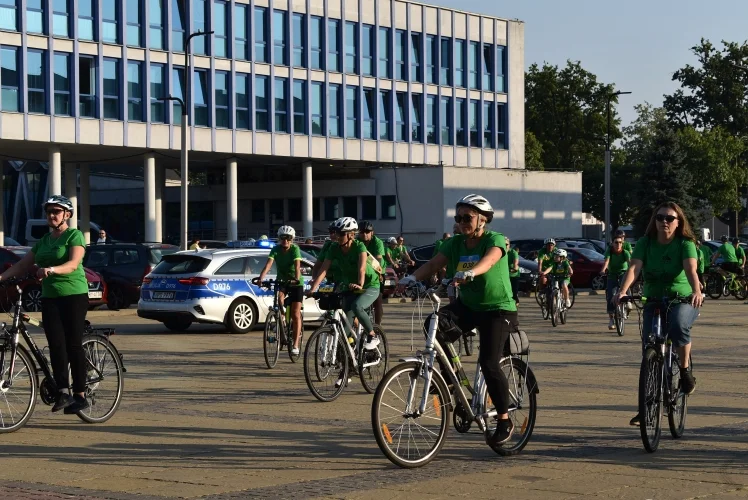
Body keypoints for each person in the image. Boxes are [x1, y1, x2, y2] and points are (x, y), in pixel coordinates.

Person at [399, 194, 518, 446]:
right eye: (458, 217)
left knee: (488, 362)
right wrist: (411, 279)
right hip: (468, 306)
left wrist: (472, 272)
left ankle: (505, 420)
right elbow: (433, 264)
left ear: (482, 220)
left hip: (498, 310)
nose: (462, 221)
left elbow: (491, 259)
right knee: (434, 324)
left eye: (468, 217)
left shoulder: (494, 239)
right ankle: (451, 381)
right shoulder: (454, 243)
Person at [0, 195, 91, 414]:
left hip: (74, 294)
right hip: (50, 296)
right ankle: (63, 392)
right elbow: (23, 265)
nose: (51, 215)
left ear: (66, 215)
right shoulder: (44, 241)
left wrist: (52, 270)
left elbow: (72, 264)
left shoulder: (74, 235)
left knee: (73, 343)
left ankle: (80, 394)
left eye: (56, 212)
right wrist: (1, 278)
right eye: (49, 212)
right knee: (56, 344)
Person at [615, 201, 702, 426]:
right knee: (649, 349)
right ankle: (646, 407)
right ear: (654, 221)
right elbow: (634, 267)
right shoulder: (645, 243)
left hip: (681, 297)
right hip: (653, 297)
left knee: (678, 324)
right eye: (660, 217)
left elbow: (691, 270)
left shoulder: (685, 243)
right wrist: (623, 291)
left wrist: (697, 291)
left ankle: (684, 372)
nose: (664, 221)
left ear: (678, 222)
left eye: (670, 218)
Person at [307, 217, 382, 356]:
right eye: (336, 232)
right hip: (350, 286)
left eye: (341, 234)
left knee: (357, 306)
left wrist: (359, 284)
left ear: (351, 234)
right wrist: (313, 289)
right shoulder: (334, 248)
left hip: (369, 285)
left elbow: (361, 269)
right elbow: (323, 269)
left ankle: (372, 335)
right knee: (344, 332)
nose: (337, 236)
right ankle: (348, 365)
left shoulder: (360, 246)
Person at [255, 226, 304, 354]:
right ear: (279, 239)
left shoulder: (295, 249)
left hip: (295, 283)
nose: (285, 241)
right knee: (279, 300)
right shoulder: (275, 249)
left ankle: (295, 345)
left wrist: (297, 278)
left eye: (288, 238)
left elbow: (297, 266)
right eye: (283, 238)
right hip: (282, 281)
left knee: (295, 313)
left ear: (292, 239)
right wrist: (261, 279)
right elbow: (268, 265)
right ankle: (280, 321)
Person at [358, 220, 386, 325]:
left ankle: (378, 326)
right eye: (362, 232)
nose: (364, 234)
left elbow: (378, 261)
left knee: (377, 301)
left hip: (378, 272)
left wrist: (378, 274)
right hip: (362, 271)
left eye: (367, 232)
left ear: (372, 232)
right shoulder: (357, 242)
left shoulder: (377, 242)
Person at [601, 236, 631, 330]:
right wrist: (603, 270)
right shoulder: (609, 251)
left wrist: (632, 272)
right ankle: (611, 319)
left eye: (620, 242)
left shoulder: (625, 252)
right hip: (612, 275)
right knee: (610, 295)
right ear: (612, 243)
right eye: (616, 242)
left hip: (623, 273)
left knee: (626, 286)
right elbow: (606, 261)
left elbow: (630, 263)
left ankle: (628, 302)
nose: (618, 244)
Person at [506, 236, 520, 307]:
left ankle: (515, 304)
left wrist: (515, 268)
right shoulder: (499, 252)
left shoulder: (513, 252)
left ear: (509, 245)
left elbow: (516, 263)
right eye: (503, 244)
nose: (505, 246)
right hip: (504, 275)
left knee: (514, 293)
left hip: (513, 275)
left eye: (506, 245)